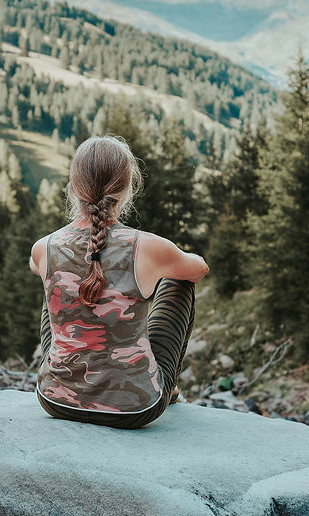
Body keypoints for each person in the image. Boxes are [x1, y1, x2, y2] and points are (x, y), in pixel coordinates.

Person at [29, 134, 209, 429]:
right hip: (136, 410)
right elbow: (199, 269)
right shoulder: (148, 247)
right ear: (127, 190)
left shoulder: (43, 247)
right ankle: (170, 388)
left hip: (54, 401)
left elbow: (35, 267)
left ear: (74, 188)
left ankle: (65, 379)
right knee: (179, 282)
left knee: (56, 281)